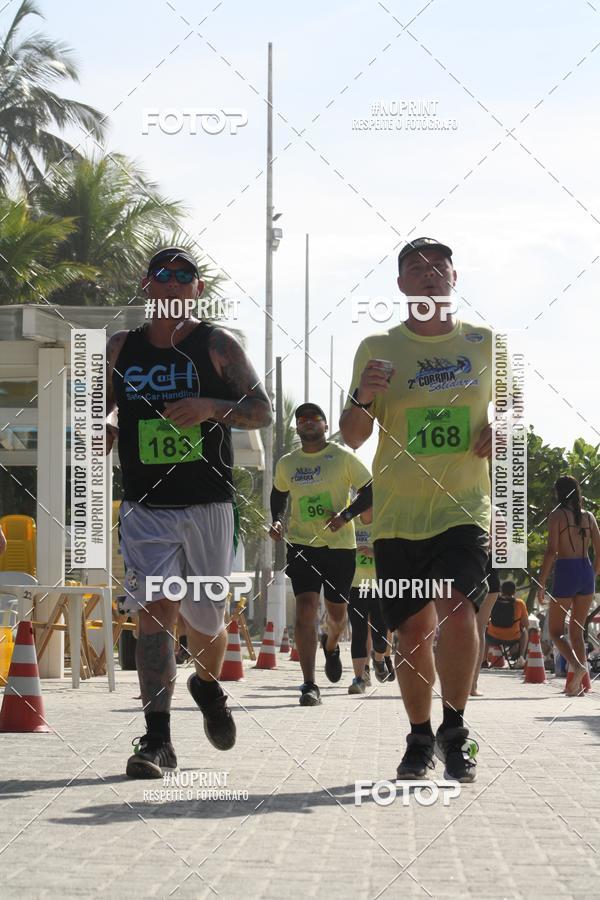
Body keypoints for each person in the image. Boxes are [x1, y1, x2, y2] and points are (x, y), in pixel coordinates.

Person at [106, 246, 272, 778]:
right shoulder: (120, 347)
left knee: (206, 618)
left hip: (208, 503)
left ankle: (205, 683)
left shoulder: (218, 345)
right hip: (145, 503)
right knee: (156, 610)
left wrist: (209, 408)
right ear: (147, 286)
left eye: (184, 276)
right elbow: (98, 406)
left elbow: (261, 412)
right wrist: (105, 429)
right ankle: (157, 739)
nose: (173, 283)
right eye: (163, 275)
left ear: (198, 289)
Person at [340, 236, 493, 783]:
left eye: (439, 268)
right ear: (401, 285)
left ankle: (455, 731)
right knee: (411, 632)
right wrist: (362, 394)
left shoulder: (484, 342)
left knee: (457, 607)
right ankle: (419, 736)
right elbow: (352, 437)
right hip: (400, 514)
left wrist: (503, 428)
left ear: (455, 278)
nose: (429, 275)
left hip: (463, 507)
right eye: (415, 269)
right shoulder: (378, 347)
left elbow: (518, 409)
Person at [269, 402, 372, 706]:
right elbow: (278, 493)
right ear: (297, 427)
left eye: (315, 418)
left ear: (326, 426)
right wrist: (277, 519)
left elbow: (370, 489)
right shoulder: (288, 463)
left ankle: (331, 645)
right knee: (305, 609)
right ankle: (308, 684)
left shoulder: (342, 457)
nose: (309, 422)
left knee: (337, 615)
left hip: (340, 546)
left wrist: (346, 515)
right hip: (302, 544)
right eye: (302, 419)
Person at [537, 475, 600, 696]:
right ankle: (579, 687)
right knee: (577, 631)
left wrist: (541, 583)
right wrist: (591, 574)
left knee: (555, 632)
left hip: (566, 571)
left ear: (558, 493)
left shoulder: (556, 516)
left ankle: (578, 666)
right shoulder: (590, 517)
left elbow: (551, 551)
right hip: (586, 571)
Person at [347, 504, 393, 693]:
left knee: (381, 636)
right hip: (356, 585)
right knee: (358, 632)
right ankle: (358, 678)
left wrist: (374, 552)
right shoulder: (350, 525)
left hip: (379, 586)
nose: (366, 507)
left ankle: (379, 658)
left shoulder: (385, 525)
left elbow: (395, 555)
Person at [471, 558, 501, 695]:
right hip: (489, 577)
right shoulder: (503, 536)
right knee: (479, 628)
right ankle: (472, 685)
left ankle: (464, 683)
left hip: (467, 576)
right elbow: (513, 553)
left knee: (458, 627)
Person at [484, 580, 528, 667]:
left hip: (493, 636)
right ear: (514, 591)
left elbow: (485, 619)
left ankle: (483, 660)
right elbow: (526, 624)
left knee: (485, 630)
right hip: (513, 637)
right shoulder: (519, 603)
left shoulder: (493, 601)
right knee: (525, 632)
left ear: (501, 590)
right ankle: (521, 658)